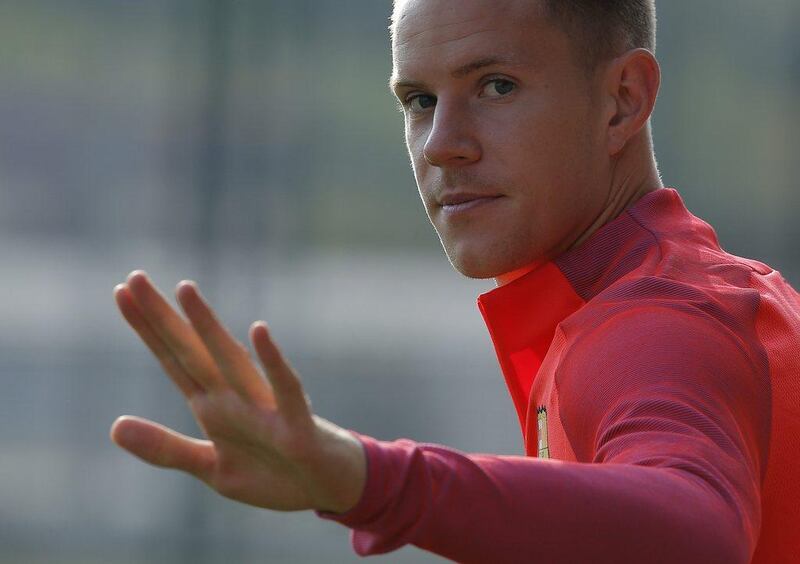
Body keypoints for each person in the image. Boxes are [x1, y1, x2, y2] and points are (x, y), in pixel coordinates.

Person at [110, 0, 800, 562]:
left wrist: (371, 479)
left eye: (495, 86)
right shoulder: (645, 293)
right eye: (418, 100)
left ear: (623, 100)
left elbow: (697, 534)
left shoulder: (656, 322)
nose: (441, 142)